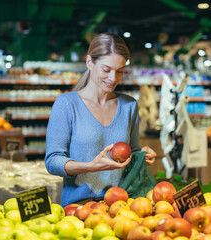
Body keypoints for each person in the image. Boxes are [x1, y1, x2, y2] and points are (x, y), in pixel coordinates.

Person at [45, 32, 157, 207]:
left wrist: (142, 156)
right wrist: (91, 166)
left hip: (120, 207)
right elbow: (53, 161)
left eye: (120, 71)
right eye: (106, 70)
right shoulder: (67, 104)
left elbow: (132, 152)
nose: (113, 78)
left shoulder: (129, 106)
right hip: (78, 207)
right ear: (90, 62)